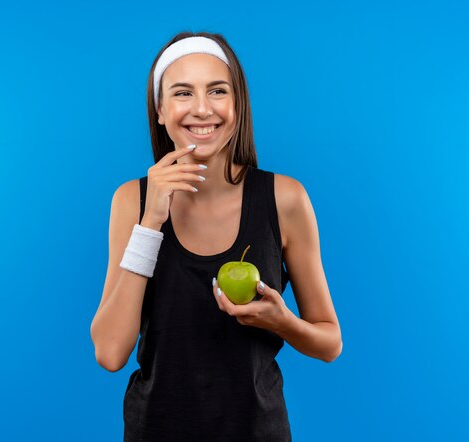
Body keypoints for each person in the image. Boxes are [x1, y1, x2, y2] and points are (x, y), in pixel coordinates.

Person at [90, 31, 342, 441]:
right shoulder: (130, 202)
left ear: (238, 105)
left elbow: (329, 342)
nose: (202, 109)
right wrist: (151, 220)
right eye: (183, 93)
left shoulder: (285, 199)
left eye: (217, 91)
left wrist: (281, 322)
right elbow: (110, 352)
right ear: (160, 109)